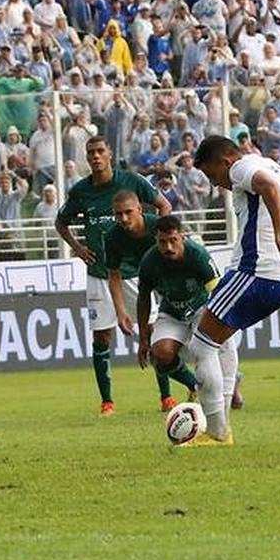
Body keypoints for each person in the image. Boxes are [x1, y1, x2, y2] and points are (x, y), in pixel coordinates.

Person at [184, 135, 280, 445]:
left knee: (201, 345)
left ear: (225, 162)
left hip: (255, 270)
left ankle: (217, 430)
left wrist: (279, 238)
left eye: (212, 175)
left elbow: (267, 186)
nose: (214, 184)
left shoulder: (242, 167)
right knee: (218, 342)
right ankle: (220, 426)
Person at [55, 136, 173, 416]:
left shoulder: (131, 181)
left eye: (100, 151)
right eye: (91, 152)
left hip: (133, 274)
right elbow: (61, 222)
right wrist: (78, 248)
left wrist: (157, 245)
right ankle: (107, 402)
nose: (95, 156)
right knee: (101, 337)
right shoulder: (81, 191)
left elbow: (164, 207)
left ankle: (166, 397)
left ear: (110, 154)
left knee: (153, 333)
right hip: (99, 273)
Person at [135, 214, 242, 425]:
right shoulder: (149, 262)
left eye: (173, 240)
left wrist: (223, 324)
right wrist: (143, 339)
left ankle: (228, 389)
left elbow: (216, 291)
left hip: (203, 308)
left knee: (216, 351)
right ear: (156, 240)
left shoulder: (197, 255)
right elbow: (143, 299)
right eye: (162, 242)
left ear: (182, 237)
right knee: (160, 355)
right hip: (172, 313)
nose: (168, 247)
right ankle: (195, 385)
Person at [104, 189, 195, 412]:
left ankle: (227, 383)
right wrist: (120, 311)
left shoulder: (158, 226)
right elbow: (114, 275)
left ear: (140, 210)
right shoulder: (113, 237)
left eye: (128, 213)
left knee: (204, 346)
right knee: (157, 349)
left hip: (187, 286)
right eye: (118, 214)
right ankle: (190, 387)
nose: (123, 219)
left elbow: (187, 250)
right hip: (155, 287)